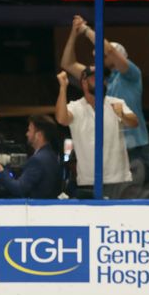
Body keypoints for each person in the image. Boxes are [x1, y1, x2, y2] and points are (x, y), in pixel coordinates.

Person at [61, 15, 149, 197]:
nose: (97, 61)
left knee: (134, 201)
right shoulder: (99, 79)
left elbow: (110, 49)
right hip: (110, 153)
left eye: (101, 56)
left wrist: (86, 30)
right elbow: (67, 64)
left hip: (134, 150)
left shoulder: (131, 75)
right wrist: (74, 34)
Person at [54, 68, 136, 199]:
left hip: (118, 178)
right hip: (88, 180)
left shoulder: (116, 103)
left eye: (102, 78)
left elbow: (134, 122)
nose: (101, 81)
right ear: (84, 82)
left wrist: (122, 115)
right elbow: (61, 118)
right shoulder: (76, 107)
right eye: (95, 78)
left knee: (120, 219)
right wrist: (63, 87)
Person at [0, 115, 62, 199]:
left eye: (29, 130)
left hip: (36, 209)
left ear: (39, 135)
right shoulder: (52, 156)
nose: (27, 134)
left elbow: (19, 189)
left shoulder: (37, 160)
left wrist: (0, 171)